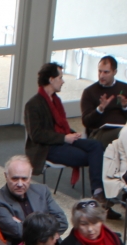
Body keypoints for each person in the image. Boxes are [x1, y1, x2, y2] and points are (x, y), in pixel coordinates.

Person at [26, 62, 106, 197]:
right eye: (60, 78)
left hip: (64, 138)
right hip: (47, 147)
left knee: (96, 146)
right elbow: (36, 135)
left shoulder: (55, 100)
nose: (62, 82)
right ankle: (99, 193)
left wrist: (72, 134)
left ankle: (98, 191)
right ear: (51, 80)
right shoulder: (33, 104)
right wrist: (64, 138)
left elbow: (61, 125)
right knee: (90, 157)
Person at [0, 155, 67, 245]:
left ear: (30, 177)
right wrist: (49, 227)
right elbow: (18, 232)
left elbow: (62, 221)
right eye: (15, 178)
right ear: (6, 176)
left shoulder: (42, 191)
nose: (20, 184)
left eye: (24, 179)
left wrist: (22, 223)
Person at [79, 55, 127, 145]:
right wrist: (100, 109)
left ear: (115, 72)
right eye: (100, 71)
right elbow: (86, 122)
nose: (102, 75)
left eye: (106, 72)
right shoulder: (89, 92)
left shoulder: (126, 88)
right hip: (100, 133)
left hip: (123, 129)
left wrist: (125, 107)